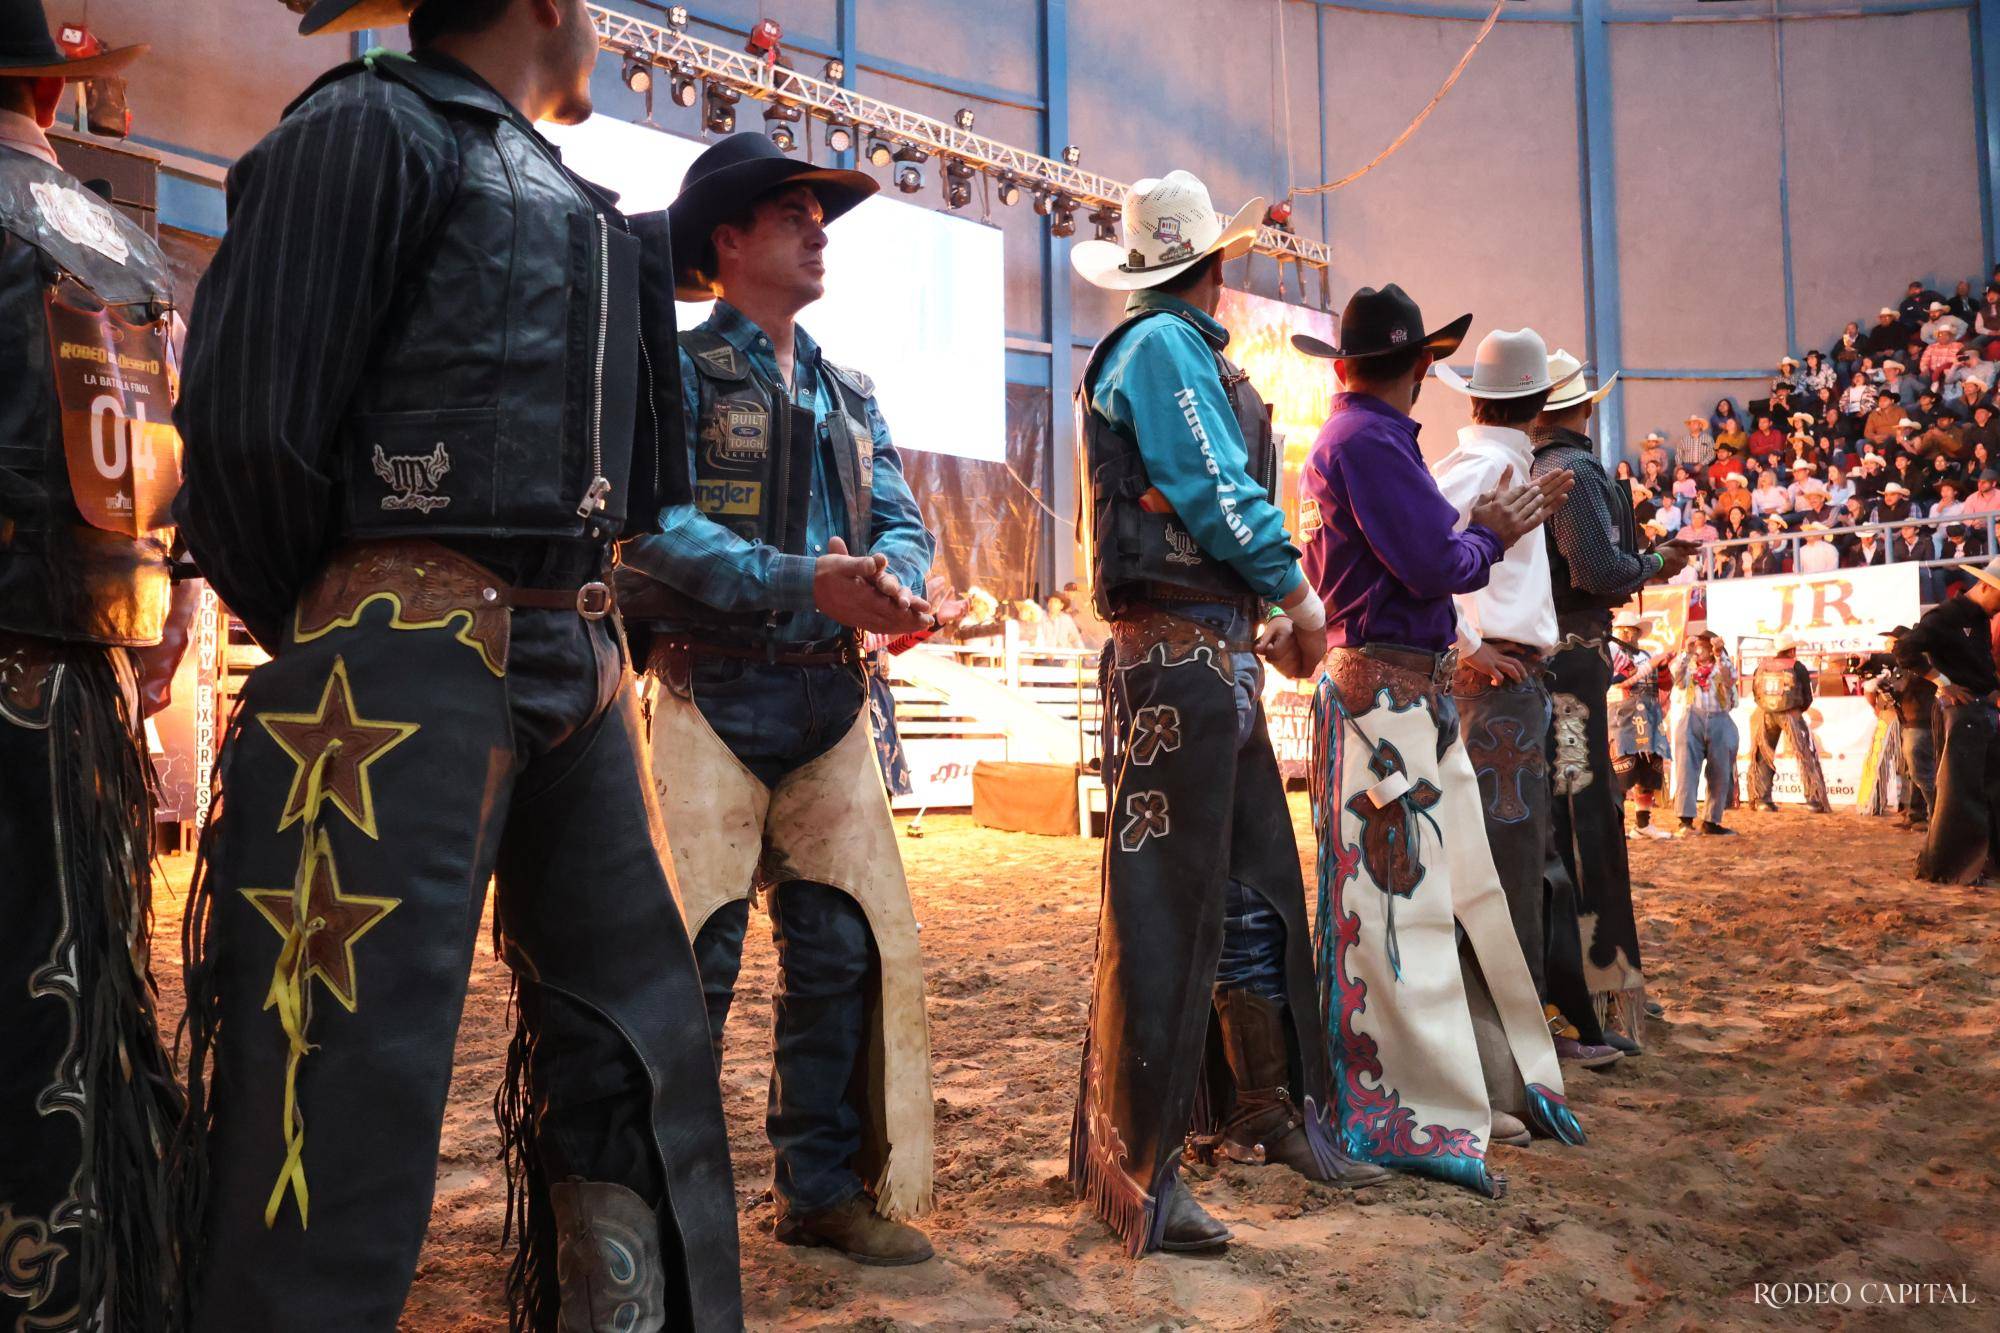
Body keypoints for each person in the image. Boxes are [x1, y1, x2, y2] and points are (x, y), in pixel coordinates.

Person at [170, 1, 742, 1326]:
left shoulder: (581, 207)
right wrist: (355, 625)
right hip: (410, 656)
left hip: (573, 659)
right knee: (335, 1088)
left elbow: (641, 493)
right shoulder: (367, 125)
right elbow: (249, 437)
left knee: (634, 1049)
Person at [617, 131, 944, 1267]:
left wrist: (897, 580)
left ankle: (816, 1187)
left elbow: (902, 513)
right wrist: (803, 580)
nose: (818, 230)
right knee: (693, 965)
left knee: (839, 951)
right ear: (728, 240)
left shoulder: (847, 391)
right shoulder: (675, 373)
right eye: (793, 212)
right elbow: (652, 531)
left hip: (823, 701)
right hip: (712, 693)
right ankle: (669, 1206)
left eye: (820, 212)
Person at [1068, 172, 1387, 1257]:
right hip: (1182, 659)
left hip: (1206, 654)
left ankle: (1251, 1106)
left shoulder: (1171, 351)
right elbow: (1213, 487)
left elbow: (1197, 497)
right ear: (1216, 263)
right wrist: (1295, 598)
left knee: (1248, 890)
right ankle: (1142, 1160)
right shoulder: (1166, 352)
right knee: (1171, 909)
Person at [1297, 282, 1582, 1197]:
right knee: (1403, 906)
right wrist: (1489, 537)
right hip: (1389, 695)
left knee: (1412, 900)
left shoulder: (1360, 440)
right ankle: (1403, 1101)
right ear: (1421, 365)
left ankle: (1442, 1088)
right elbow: (1432, 562)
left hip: (1394, 688)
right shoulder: (1375, 441)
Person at [0, 10, 192, 1330]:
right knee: (69, 984)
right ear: (56, 98)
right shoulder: (119, 242)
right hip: (83, 671)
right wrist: (166, 600)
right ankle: (77, 1285)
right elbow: (167, 464)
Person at [1432, 331, 1621, 1078]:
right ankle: (1508, 1039)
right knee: (1509, 863)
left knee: (1527, 855)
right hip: (1497, 683)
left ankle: (1530, 1022)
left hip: (1509, 679)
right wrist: (1470, 641)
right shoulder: (1486, 466)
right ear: (1541, 403)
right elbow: (1414, 556)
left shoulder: (1495, 462)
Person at [1530, 349, 1690, 1059]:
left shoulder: (1530, 469)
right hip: (1572, 668)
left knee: (1564, 811)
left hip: (1547, 663)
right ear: (1584, 407)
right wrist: (1656, 560)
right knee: (1585, 809)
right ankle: (1597, 979)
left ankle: (1577, 978)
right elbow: (1597, 569)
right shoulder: (1575, 472)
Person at [1895, 559, 2000, 882]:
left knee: (1989, 790)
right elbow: (1905, 649)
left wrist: (1993, 689)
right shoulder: (1945, 616)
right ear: (1985, 586)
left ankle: (1984, 863)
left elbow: (1977, 663)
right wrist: (1942, 681)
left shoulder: (1978, 619)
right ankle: (1950, 866)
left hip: (1980, 710)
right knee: (1960, 792)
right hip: (1962, 714)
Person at [1746, 635, 1831, 812]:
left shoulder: (1762, 667)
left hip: (1766, 714)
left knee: (1764, 754)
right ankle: (1813, 799)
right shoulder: (1797, 667)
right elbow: (1807, 695)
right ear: (1791, 650)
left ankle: (1762, 799)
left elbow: (1755, 693)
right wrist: (1799, 709)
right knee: (1805, 754)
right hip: (1791, 714)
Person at [1669, 630, 1740, 835]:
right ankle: (1685, 820)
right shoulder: (1688, 667)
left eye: (1704, 646)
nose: (1700, 650)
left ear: (1711, 649)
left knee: (1720, 771)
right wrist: (1687, 653)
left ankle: (1711, 821)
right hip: (1692, 717)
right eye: (1698, 645)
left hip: (1719, 718)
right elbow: (1677, 677)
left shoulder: (1721, 665)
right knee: (1686, 769)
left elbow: (1730, 678)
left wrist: (1720, 654)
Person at [1870, 626, 1937, 827]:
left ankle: (1936, 814)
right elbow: (1899, 691)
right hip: (1909, 720)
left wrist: (1886, 686)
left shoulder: (1916, 664)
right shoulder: (1905, 665)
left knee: (1920, 771)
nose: (1887, 645)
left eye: (1891, 641)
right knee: (1910, 770)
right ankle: (1916, 813)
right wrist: (1886, 690)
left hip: (1919, 721)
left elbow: (1906, 687)